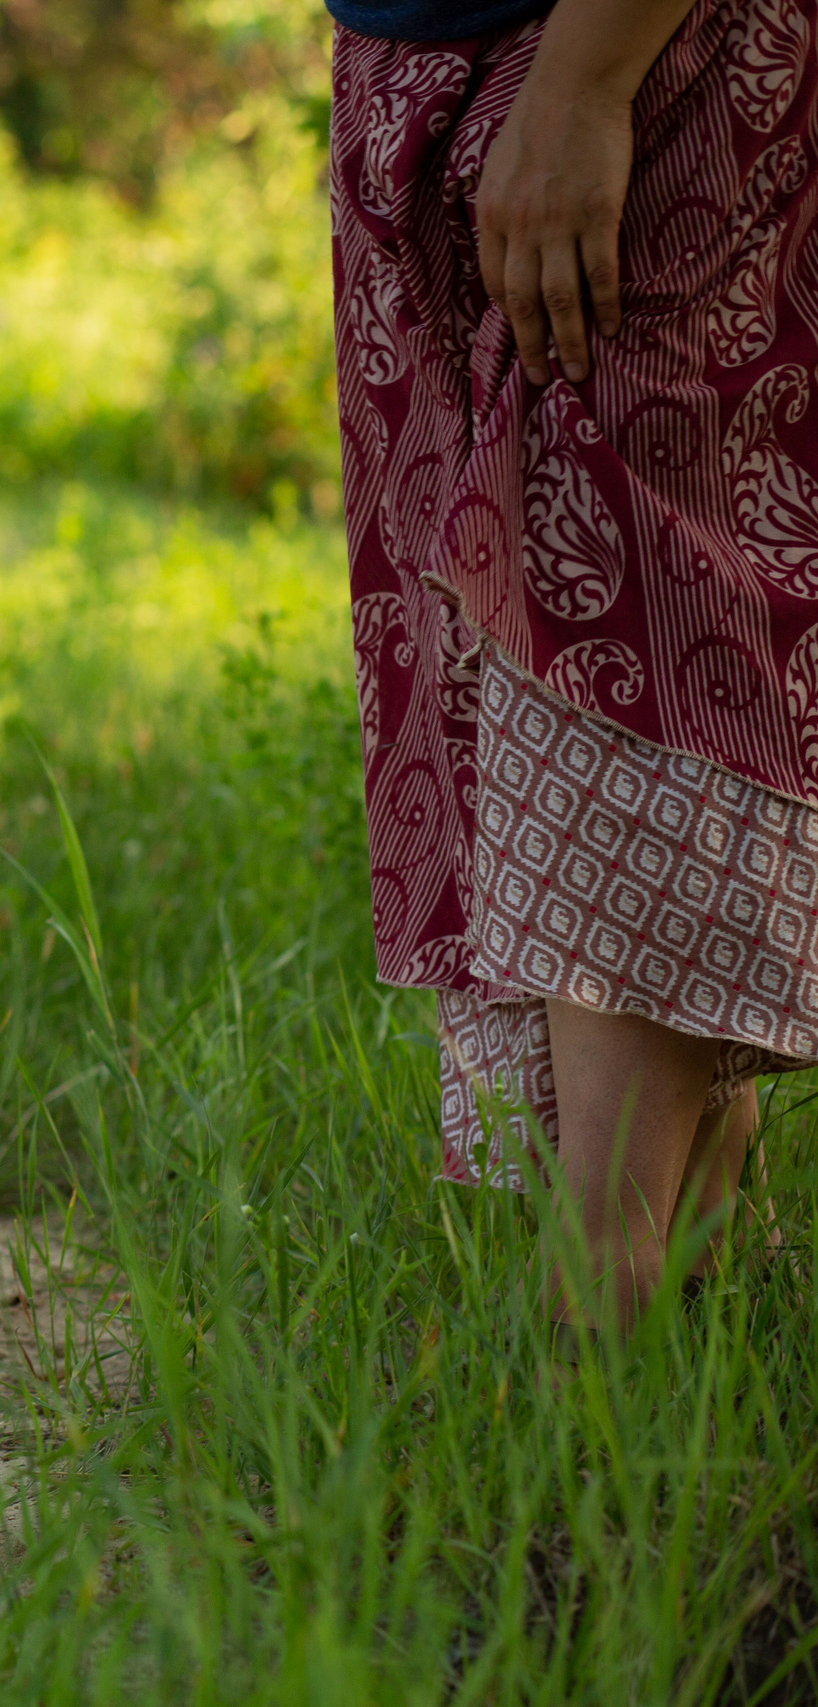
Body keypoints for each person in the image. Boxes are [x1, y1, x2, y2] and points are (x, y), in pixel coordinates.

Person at [329, 0, 816, 1329]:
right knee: (496, 645)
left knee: (623, 629)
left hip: (610, 59)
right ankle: (707, 1267)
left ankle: (605, 1295)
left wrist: (587, 83)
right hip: (440, 59)